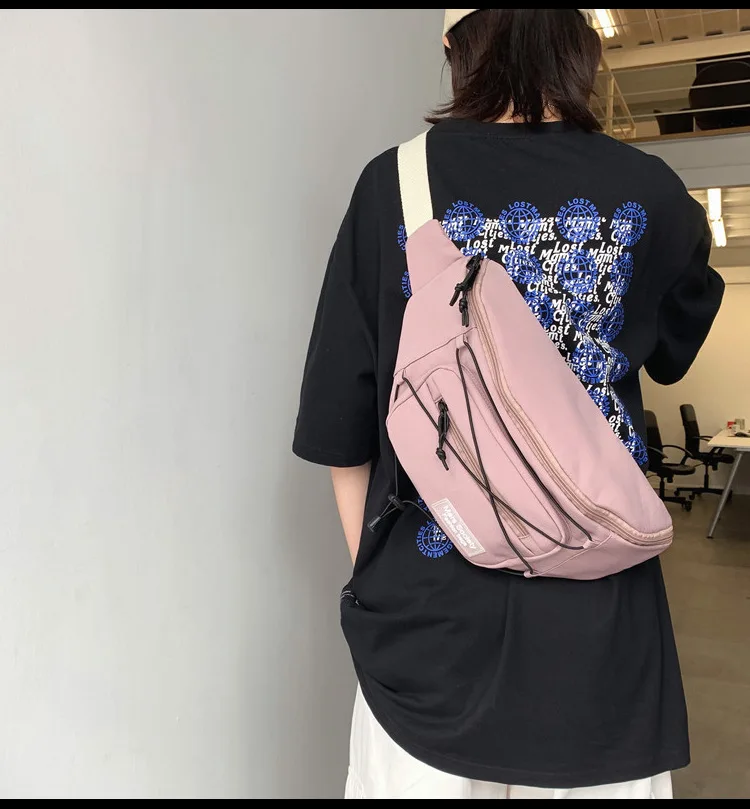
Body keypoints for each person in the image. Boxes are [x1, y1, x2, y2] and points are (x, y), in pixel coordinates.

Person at [293, 8, 724, 800]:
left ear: (453, 47)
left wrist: (374, 582)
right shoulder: (651, 195)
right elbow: (676, 345)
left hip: (427, 631)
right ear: (584, 44)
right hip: (600, 629)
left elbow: (338, 431)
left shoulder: (392, 185)